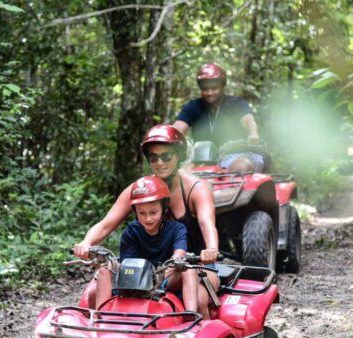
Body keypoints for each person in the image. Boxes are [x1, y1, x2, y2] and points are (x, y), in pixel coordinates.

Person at [74, 124, 219, 319]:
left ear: (178, 156)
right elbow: (106, 224)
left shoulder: (196, 189)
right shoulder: (141, 190)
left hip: (194, 266)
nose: (160, 162)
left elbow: (207, 223)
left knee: (200, 299)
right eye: (153, 157)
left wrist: (211, 249)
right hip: (147, 268)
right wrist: (86, 243)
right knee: (92, 293)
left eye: (166, 156)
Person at [91, 176, 199, 311]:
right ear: (135, 211)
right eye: (142, 213)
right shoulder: (131, 231)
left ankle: (190, 315)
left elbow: (180, 252)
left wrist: (174, 261)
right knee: (104, 269)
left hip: (164, 277)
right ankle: (100, 317)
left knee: (189, 268)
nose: (148, 218)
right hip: (135, 281)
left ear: (164, 208)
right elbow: (128, 263)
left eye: (153, 212)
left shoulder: (178, 229)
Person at [172, 63, 265, 172]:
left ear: (222, 86)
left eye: (214, 88)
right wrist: (169, 139)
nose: (209, 92)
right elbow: (177, 129)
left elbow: (248, 120)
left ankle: (232, 188)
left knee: (241, 166)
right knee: (181, 174)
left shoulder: (236, 104)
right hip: (202, 159)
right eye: (205, 89)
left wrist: (253, 133)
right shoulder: (194, 106)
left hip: (237, 155)